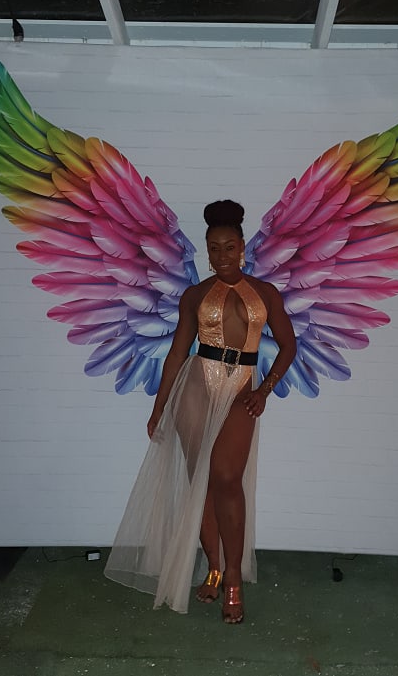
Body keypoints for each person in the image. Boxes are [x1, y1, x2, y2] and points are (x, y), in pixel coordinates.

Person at [104, 200, 296, 623]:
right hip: (195, 386)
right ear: (206, 251)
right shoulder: (194, 295)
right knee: (202, 483)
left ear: (242, 247)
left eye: (229, 247)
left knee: (227, 478)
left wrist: (265, 389)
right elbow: (176, 353)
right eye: (214, 248)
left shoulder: (265, 293)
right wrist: (159, 407)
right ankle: (214, 567)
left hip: (242, 388)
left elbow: (288, 346)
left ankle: (234, 577)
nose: (222, 255)